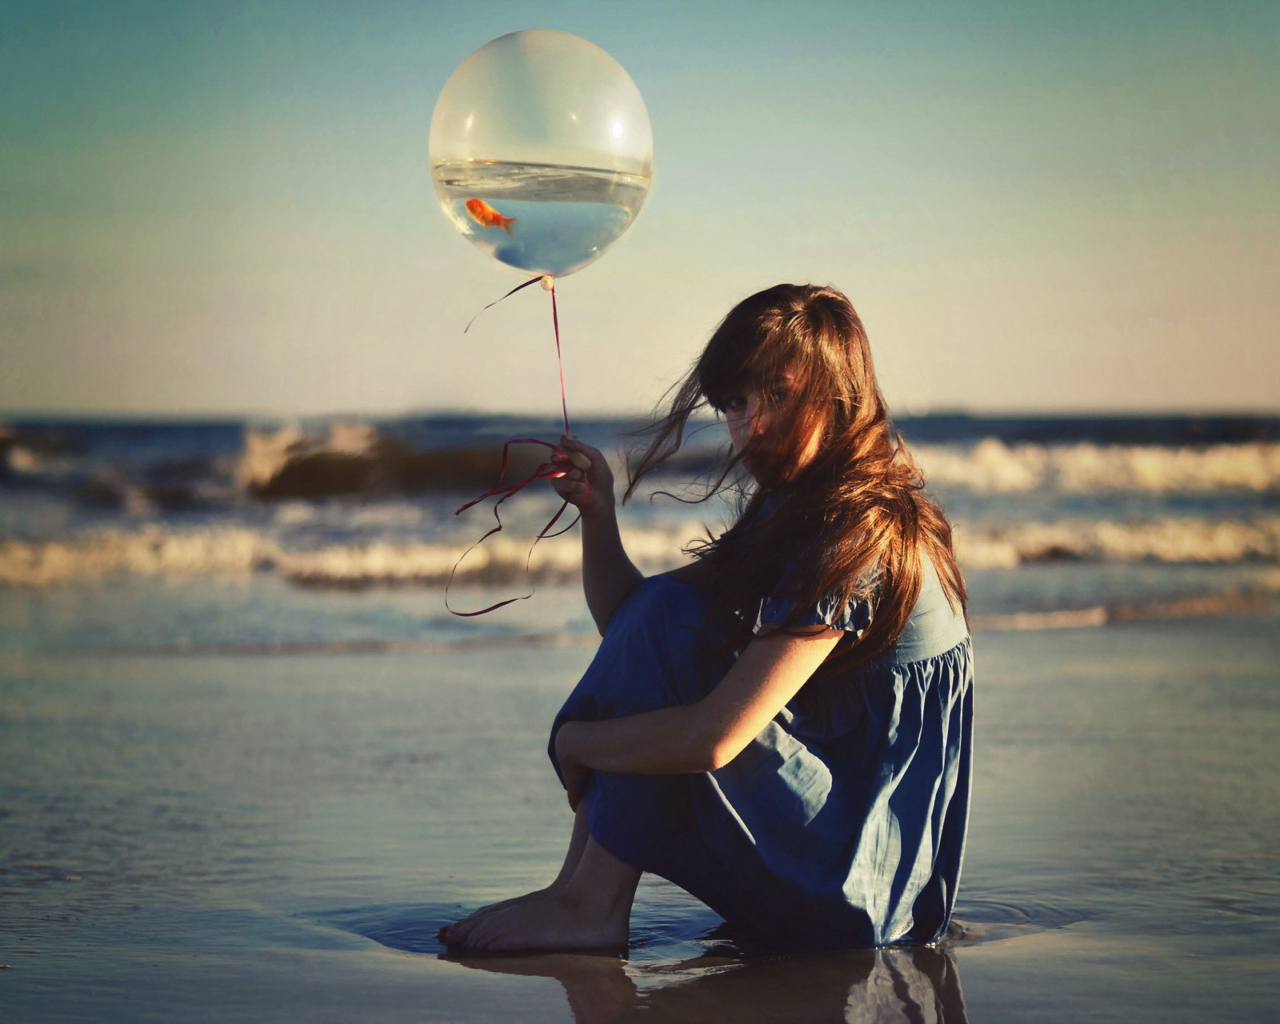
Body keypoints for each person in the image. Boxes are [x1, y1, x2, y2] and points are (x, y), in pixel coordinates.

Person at [442, 284, 973, 953]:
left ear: (838, 393)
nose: (751, 425)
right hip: (829, 853)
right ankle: (579, 892)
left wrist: (575, 743)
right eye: (735, 403)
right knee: (669, 612)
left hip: (862, 891)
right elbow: (639, 627)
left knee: (672, 637)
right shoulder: (798, 506)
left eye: (778, 395)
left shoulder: (858, 530)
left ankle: (590, 902)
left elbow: (715, 739)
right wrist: (599, 516)